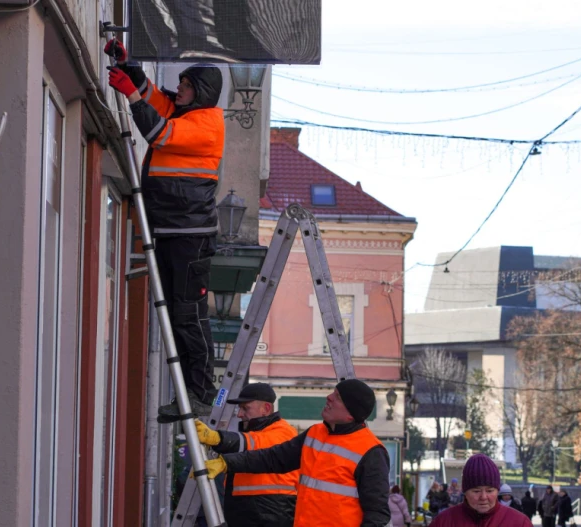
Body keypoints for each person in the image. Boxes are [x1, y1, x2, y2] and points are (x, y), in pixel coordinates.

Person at [103, 39, 224, 418]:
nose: (179, 90)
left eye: (186, 86)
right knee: (178, 314)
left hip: (189, 235)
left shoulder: (206, 124)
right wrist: (131, 67)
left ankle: (201, 392)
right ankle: (192, 393)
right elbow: (156, 99)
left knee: (188, 314)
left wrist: (133, 99)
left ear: (200, 93)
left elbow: (158, 132)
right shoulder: (188, 114)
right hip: (176, 229)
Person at [202, 378, 391, 526]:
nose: (329, 398)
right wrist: (227, 463)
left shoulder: (371, 451)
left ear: (351, 413)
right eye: (333, 392)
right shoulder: (315, 434)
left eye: (338, 397)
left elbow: (377, 514)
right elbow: (272, 458)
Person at [194, 383, 298, 527]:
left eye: (245, 408)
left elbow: (255, 444)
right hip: (254, 511)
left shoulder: (284, 432)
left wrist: (218, 438)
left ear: (266, 409)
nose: (239, 414)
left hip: (271, 513)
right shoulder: (258, 433)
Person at [428, 453, 533, 527]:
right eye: (476, 491)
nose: (483, 497)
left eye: (490, 491)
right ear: (465, 492)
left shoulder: (520, 523)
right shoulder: (443, 522)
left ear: (497, 491)